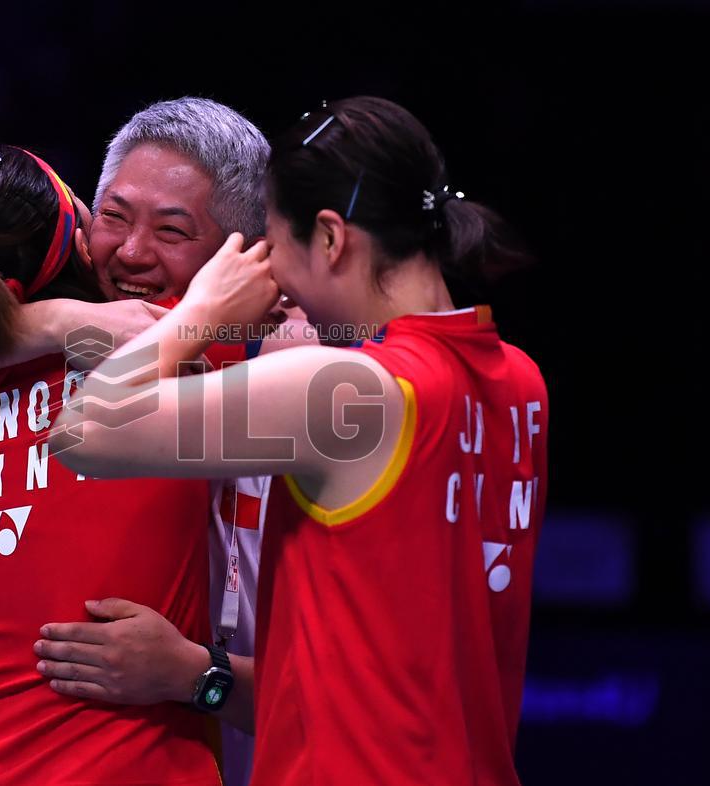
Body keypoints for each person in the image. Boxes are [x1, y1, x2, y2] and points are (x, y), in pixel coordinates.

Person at [50, 96, 549, 785]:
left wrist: (203, 309)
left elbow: (86, 426)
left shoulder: (348, 392)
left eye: (273, 249)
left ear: (332, 238)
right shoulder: (521, 382)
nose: (268, 275)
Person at [0, 98, 296, 785]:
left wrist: (193, 676)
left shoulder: (232, 343)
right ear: (83, 217)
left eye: (172, 231)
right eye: (115, 217)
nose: (132, 250)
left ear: (234, 257)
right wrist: (64, 321)